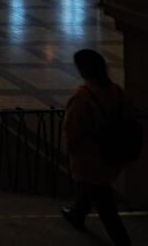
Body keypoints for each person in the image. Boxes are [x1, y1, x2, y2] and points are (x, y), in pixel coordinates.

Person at [61, 49, 137, 246]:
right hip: (114, 154)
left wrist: (69, 149)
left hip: (91, 157)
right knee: (93, 189)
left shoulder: (83, 96)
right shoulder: (117, 91)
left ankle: (123, 241)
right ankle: (77, 214)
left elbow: (73, 128)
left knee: (104, 203)